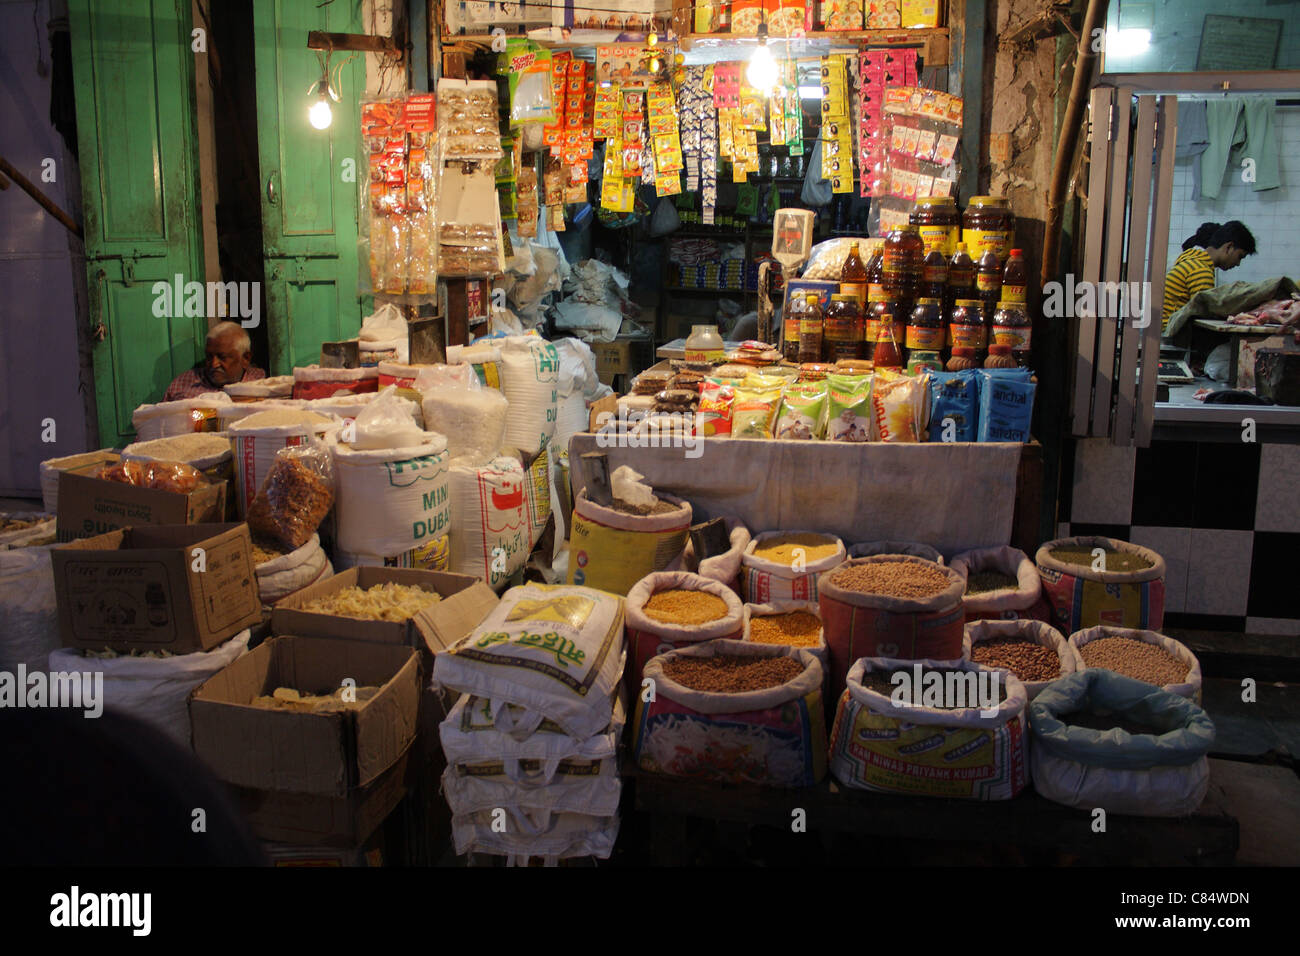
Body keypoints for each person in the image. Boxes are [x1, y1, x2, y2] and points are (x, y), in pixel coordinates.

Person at [1161, 221, 1256, 333]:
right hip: (1170, 334)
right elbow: (1205, 316)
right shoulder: (1200, 270)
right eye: (1240, 256)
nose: (1238, 263)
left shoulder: (1193, 260)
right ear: (1229, 247)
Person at [163, 320, 266, 400]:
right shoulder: (181, 384)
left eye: (222, 357)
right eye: (209, 356)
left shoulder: (263, 386)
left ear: (245, 359)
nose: (214, 364)